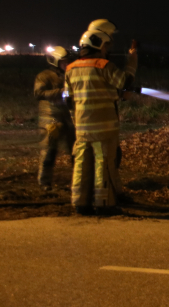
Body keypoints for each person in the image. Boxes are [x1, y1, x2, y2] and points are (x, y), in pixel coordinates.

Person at [64, 24, 137, 215]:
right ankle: (104, 204)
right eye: (106, 46)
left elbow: (69, 99)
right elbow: (125, 81)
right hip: (104, 129)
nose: (107, 50)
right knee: (103, 165)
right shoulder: (103, 66)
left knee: (81, 164)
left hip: (82, 129)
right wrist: (132, 62)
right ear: (98, 45)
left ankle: (80, 203)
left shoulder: (71, 68)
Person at [33, 46, 75, 189]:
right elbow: (38, 93)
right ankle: (44, 182)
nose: (67, 64)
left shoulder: (70, 75)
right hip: (50, 119)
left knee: (76, 151)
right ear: (55, 61)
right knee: (49, 151)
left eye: (68, 61)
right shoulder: (44, 76)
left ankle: (80, 180)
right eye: (64, 62)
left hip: (69, 117)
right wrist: (62, 92)